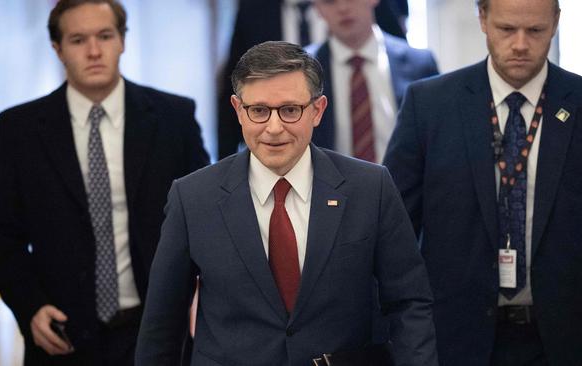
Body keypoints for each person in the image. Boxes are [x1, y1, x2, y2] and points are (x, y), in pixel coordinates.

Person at [135, 41, 437, 366]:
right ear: (238, 110)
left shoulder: (370, 188)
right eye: (259, 110)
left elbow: (409, 303)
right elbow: (162, 327)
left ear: (317, 110)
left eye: (290, 110)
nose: (274, 128)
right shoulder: (193, 198)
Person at [383, 0, 582, 364]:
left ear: (556, 22)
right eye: (506, 29)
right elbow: (394, 232)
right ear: (483, 19)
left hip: (573, 340)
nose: (519, 44)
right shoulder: (431, 106)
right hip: (457, 338)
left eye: (535, 31)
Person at [0, 0, 209, 364]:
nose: (93, 51)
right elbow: (2, 237)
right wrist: (30, 307)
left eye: (105, 36)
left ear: (122, 40)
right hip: (61, 334)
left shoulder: (174, 118)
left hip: (159, 330)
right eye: (77, 40)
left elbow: (205, 219)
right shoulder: (19, 129)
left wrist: (202, 298)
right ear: (57, 49)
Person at [216, 0, 409, 159]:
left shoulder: (410, 59)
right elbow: (234, 83)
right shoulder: (255, 10)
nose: (342, 8)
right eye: (330, 2)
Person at [308, 0, 438, 163]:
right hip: (330, 185)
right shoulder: (302, 71)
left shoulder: (420, 63)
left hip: (404, 183)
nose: (343, 8)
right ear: (316, 8)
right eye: (329, 1)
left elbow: (436, 137)